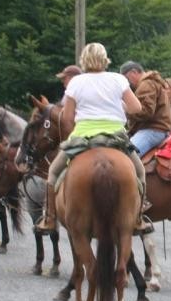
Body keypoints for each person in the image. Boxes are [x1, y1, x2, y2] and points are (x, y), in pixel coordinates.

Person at [35, 44, 151, 235]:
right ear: (105, 59)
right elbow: (136, 108)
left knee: (53, 172)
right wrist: (120, 105)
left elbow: (67, 118)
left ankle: (48, 219)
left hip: (83, 137)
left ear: (84, 60)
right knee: (139, 172)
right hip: (116, 137)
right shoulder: (118, 79)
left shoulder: (76, 82)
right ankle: (138, 219)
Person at [120, 61, 171, 156]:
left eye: (127, 78)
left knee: (126, 156)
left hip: (152, 130)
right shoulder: (149, 83)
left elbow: (146, 111)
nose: (127, 83)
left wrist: (126, 110)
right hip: (153, 129)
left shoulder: (146, 84)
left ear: (134, 72)